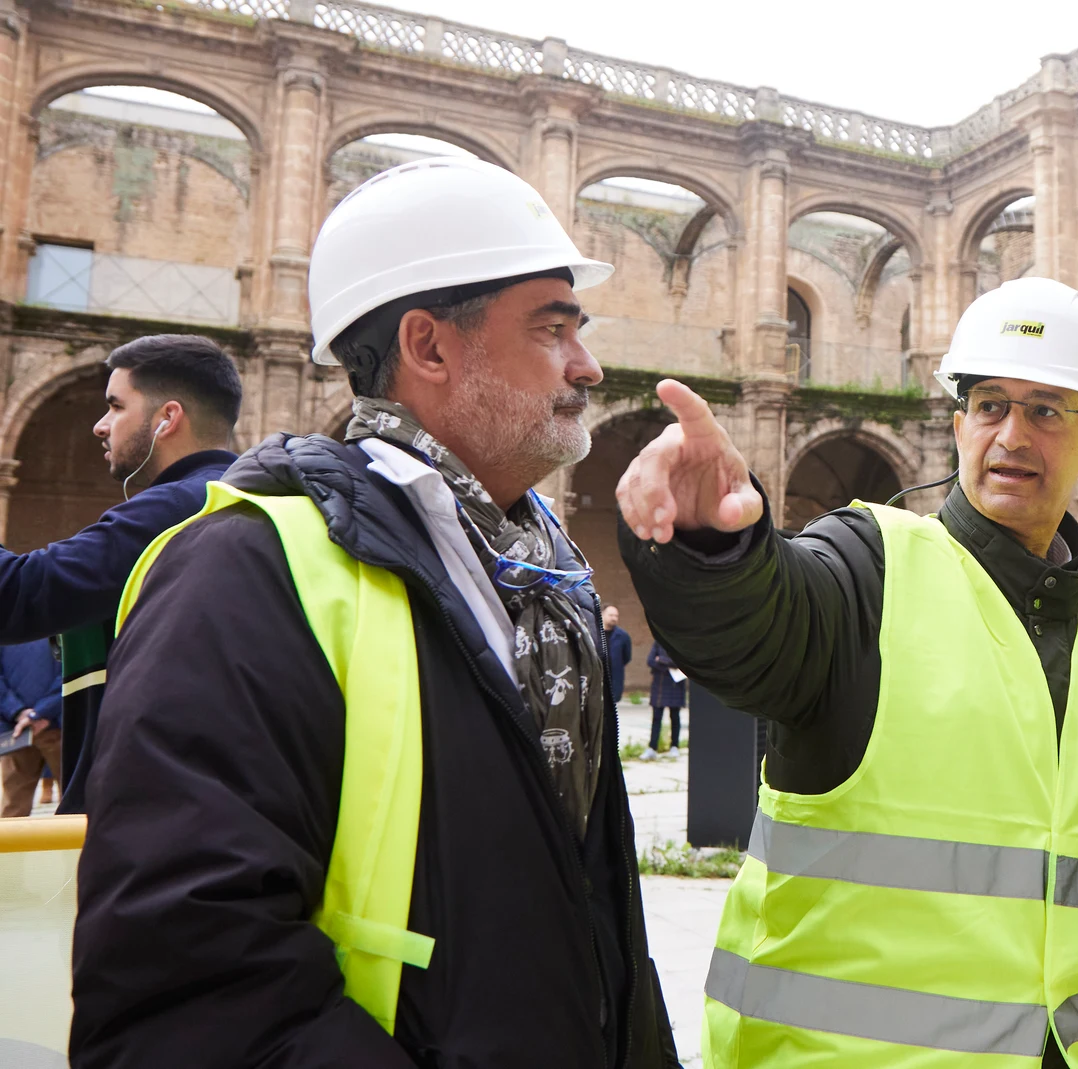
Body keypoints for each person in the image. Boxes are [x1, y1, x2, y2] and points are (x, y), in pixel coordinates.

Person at [71, 157, 678, 1067]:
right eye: (553, 329)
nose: (588, 365)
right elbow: (184, 982)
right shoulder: (241, 573)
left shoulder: (544, 574)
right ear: (428, 346)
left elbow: (587, 916)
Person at [618, 275, 1078, 1069]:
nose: (1010, 434)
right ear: (959, 422)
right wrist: (714, 548)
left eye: (1045, 409)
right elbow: (760, 624)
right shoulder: (870, 565)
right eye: (990, 404)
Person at [0, 335, 240, 811]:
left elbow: (19, 595)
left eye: (115, 406)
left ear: (166, 418)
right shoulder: (235, 497)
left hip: (144, 816)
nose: (99, 426)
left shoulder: (179, 507)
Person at [0, 638, 62, 817]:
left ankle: (9, 845)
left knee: (13, 806)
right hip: (55, 723)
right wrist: (40, 713)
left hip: (16, 729)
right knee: (75, 803)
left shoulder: (8, 625)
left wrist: (18, 712)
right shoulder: (64, 623)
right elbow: (71, 673)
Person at [643, 641, 683, 759]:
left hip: (676, 684)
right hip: (659, 685)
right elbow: (650, 661)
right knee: (656, 717)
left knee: (675, 717)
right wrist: (669, 664)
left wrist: (661, 660)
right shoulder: (658, 643)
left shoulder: (680, 643)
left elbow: (681, 663)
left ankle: (674, 746)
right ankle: (652, 748)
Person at [603, 602, 634, 708]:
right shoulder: (594, 633)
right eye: (611, 615)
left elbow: (626, 657)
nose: (614, 618)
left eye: (616, 616)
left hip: (614, 678)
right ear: (602, 615)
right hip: (597, 676)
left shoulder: (623, 636)